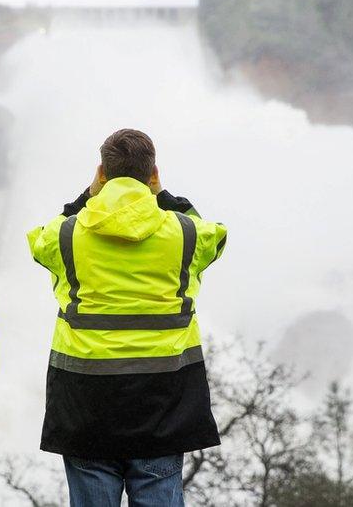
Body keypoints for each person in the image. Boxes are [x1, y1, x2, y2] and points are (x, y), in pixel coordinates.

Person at [27, 128, 227, 506]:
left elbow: (41, 240)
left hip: (84, 401)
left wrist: (87, 197)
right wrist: (163, 196)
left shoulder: (66, 236)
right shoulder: (185, 234)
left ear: (102, 173)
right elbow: (212, 236)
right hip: (164, 402)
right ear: (153, 174)